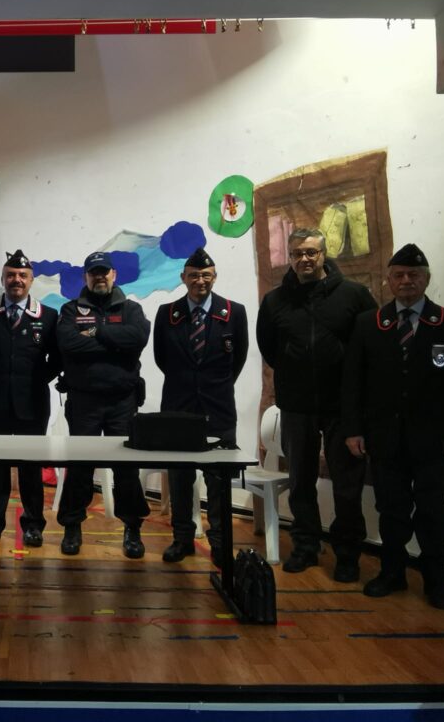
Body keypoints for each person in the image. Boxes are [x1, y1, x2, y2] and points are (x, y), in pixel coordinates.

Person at [343, 244, 444, 610]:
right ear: (388, 281)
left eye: (414, 275)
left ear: (426, 279)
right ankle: (392, 573)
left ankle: (436, 580)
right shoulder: (368, 324)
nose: (406, 281)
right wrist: (353, 429)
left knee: (433, 512)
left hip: (435, 441)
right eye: (399, 275)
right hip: (384, 438)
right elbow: (353, 382)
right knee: (391, 510)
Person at [256, 227, 376, 582]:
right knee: (301, 481)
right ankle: (306, 546)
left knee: (346, 485)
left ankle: (347, 554)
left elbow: (369, 344)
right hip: (296, 406)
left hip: (343, 406)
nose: (304, 259)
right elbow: (269, 347)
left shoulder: (354, 295)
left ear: (324, 254)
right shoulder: (275, 301)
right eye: (297, 254)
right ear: (290, 257)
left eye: (311, 252)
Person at [153, 247, 248, 565]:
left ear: (214, 277)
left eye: (206, 275)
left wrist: (212, 387)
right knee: (180, 479)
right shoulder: (167, 314)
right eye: (193, 275)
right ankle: (182, 538)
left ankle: (220, 542)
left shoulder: (234, 312)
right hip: (178, 410)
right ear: (183, 278)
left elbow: (238, 359)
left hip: (218, 410)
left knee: (219, 481)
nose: (200, 281)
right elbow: (162, 359)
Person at [56, 251, 151, 559]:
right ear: (86, 277)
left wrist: (95, 332)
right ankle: (72, 526)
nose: (99, 277)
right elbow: (68, 343)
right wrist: (115, 343)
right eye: (94, 272)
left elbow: (137, 338)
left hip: (123, 402)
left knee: (126, 469)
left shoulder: (131, 309)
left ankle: (132, 528)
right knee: (79, 468)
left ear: (113, 275)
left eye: (104, 272)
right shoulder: (70, 309)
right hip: (84, 402)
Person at [0, 249, 61, 547]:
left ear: (31, 280)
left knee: (30, 468)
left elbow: (57, 359)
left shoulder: (48, 316)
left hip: (33, 404)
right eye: (11, 275)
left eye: (23, 275)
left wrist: (33, 379)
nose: (17, 280)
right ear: (2, 278)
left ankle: (33, 524)